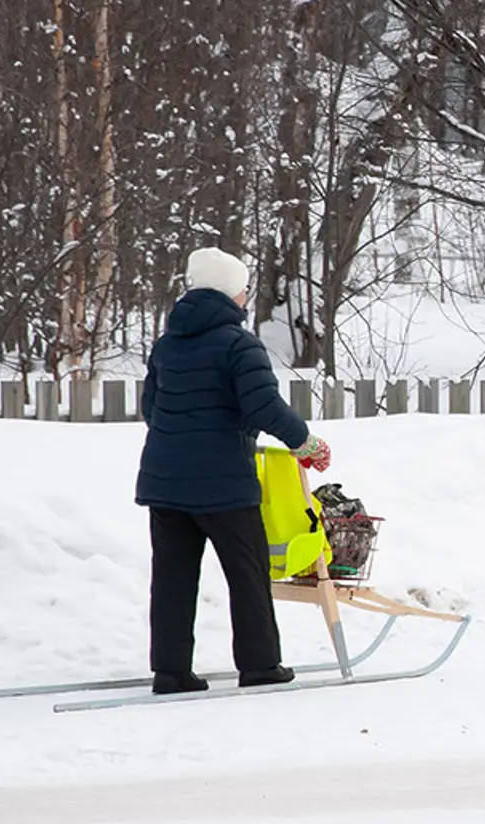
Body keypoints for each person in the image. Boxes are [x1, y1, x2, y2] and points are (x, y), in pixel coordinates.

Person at [136, 247, 332, 695]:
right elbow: (264, 406)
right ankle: (260, 664)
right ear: (231, 292)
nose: (245, 297)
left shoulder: (167, 344)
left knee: (172, 578)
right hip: (224, 483)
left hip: (164, 481)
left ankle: (171, 672)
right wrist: (307, 443)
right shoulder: (239, 344)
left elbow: (152, 409)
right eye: (243, 289)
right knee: (247, 572)